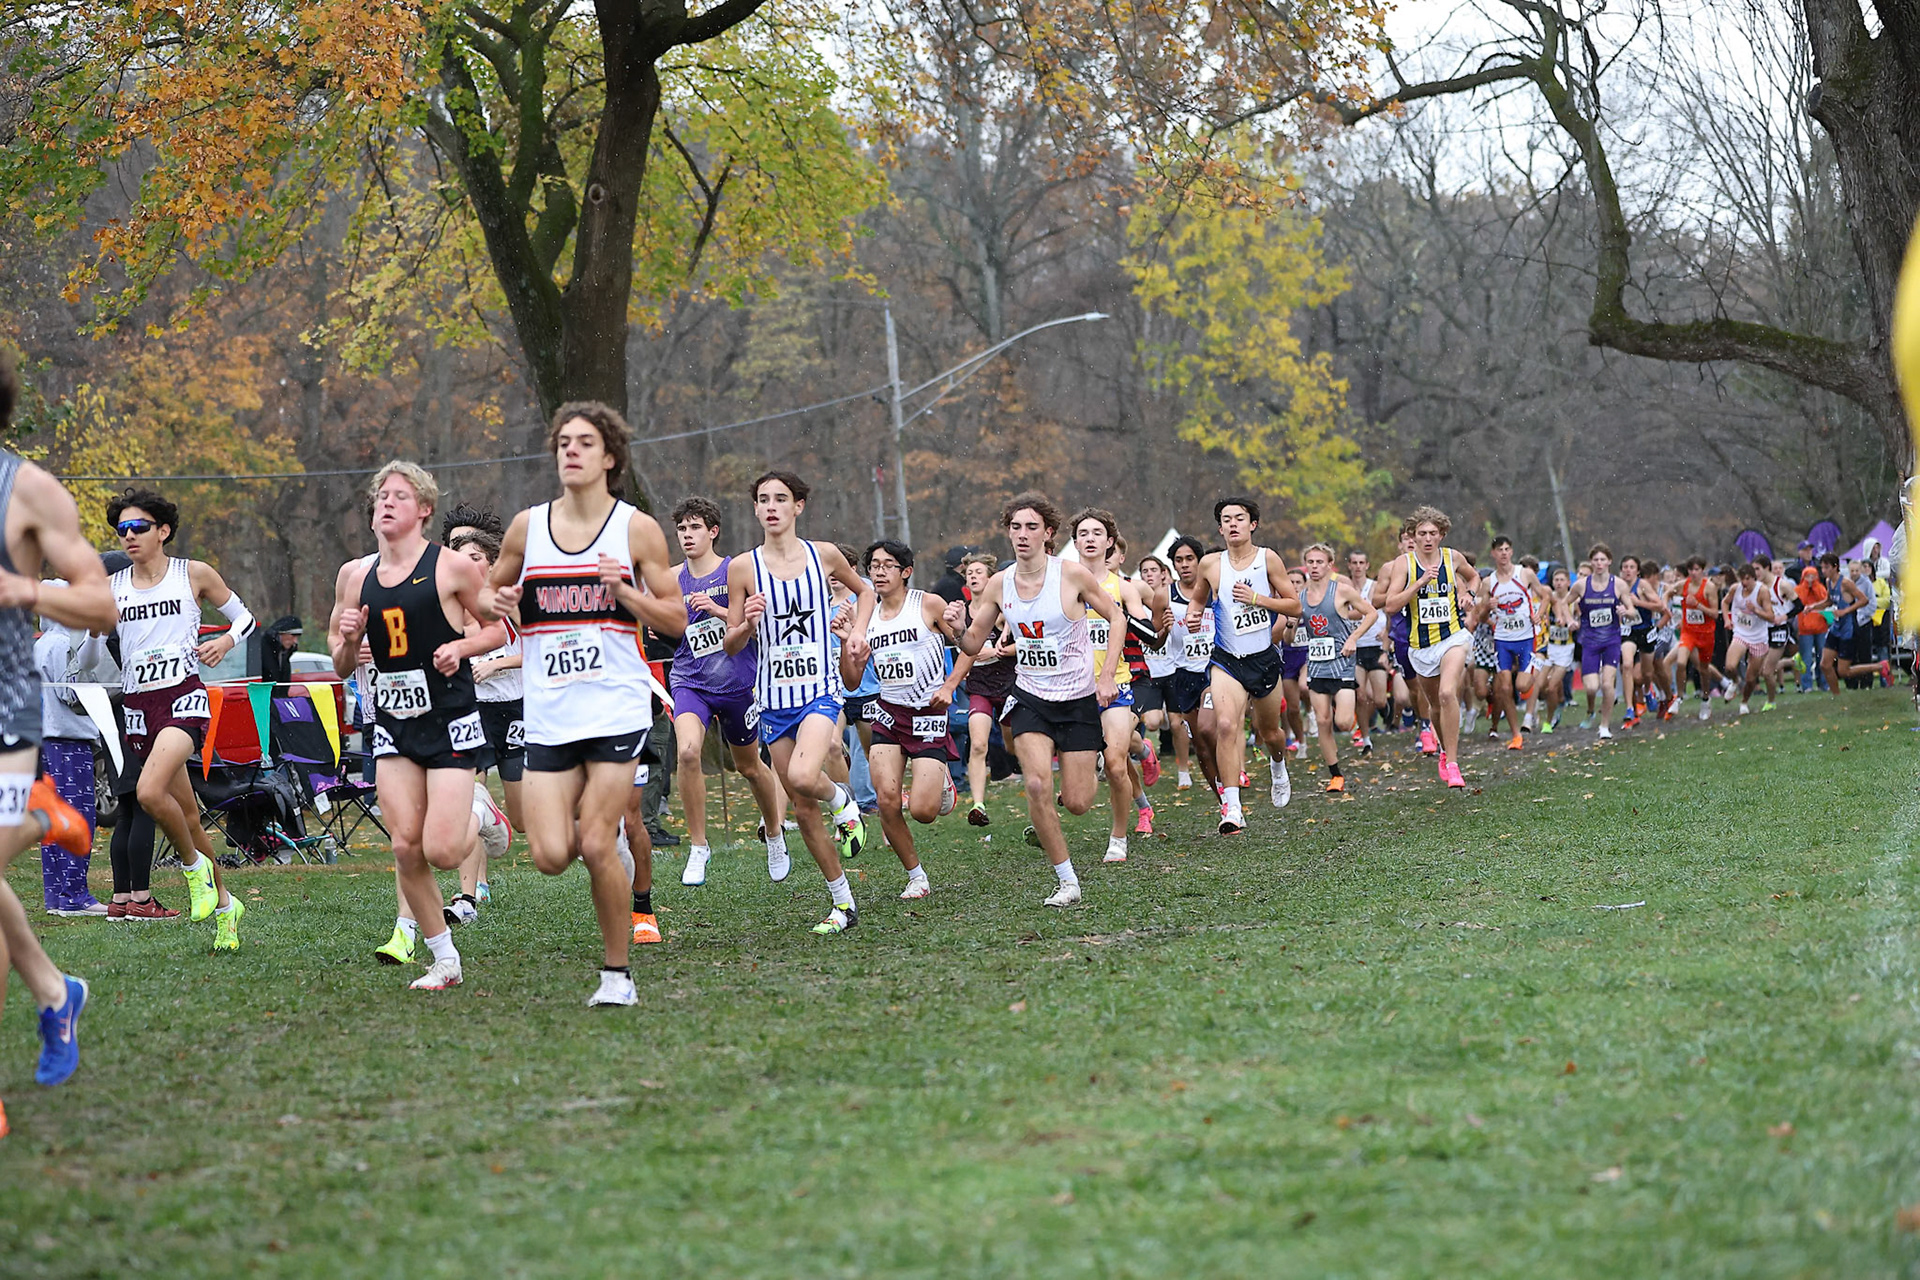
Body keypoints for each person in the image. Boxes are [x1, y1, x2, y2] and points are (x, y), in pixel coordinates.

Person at [485, 403, 685, 1003]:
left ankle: (617, 975)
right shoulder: (527, 528)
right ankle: (606, 850)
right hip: (550, 714)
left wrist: (625, 593)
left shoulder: (635, 530)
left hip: (615, 708)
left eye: (584, 442)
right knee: (549, 855)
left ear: (610, 457)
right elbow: (490, 595)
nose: (570, 451)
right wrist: (500, 604)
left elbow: (676, 619)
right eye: (563, 442)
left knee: (596, 842)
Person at [0, 354, 119, 1132]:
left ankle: (43, 815)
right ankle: (53, 990)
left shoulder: (28, 488)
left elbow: (101, 605)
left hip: (5, 708)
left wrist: (25, 589)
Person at [330, 462, 503, 989]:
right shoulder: (354, 576)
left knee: (443, 851)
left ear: (424, 509)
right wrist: (349, 642)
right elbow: (341, 665)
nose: (386, 503)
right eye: (381, 495)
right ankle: (444, 958)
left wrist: (461, 647)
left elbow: (497, 631)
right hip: (393, 724)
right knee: (405, 846)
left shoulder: (453, 567)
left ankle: (481, 811)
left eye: (400, 496)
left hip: (450, 719)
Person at [947, 492, 1121, 905]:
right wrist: (956, 628)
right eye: (1015, 527)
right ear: (1008, 533)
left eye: (1031, 527)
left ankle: (1091, 762)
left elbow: (1117, 617)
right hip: (1030, 696)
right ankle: (1067, 881)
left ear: (1048, 533)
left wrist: (1107, 675)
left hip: (1077, 699)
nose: (1022, 534)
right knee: (1039, 784)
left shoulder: (1072, 574)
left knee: (1077, 803)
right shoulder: (999, 583)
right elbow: (972, 644)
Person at [720, 471, 872, 935]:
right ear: (755, 509)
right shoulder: (742, 568)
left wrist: (858, 632)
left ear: (798, 506)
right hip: (772, 698)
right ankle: (843, 904)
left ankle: (843, 799)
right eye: (763, 499)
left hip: (819, 690)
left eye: (780, 499)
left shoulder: (822, 555)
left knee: (805, 778)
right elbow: (730, 643)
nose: (771, 507)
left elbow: (866, 591)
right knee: (803, 810)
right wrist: (747, 624)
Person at [107, 487, 255, 948]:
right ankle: (227, 909)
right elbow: (94, 649)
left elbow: (245, 618)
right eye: (122, 529)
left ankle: (194, 871)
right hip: (138, 707)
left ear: (163, 531)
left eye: (139, 527)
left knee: (149, 792)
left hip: (182, 699)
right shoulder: (113, 586)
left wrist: (225, 641)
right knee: (188, 817)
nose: (129, 536)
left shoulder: (192, 573)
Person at [665, 495, 788, 886]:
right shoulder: (671, 578)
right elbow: (662, 623)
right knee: (688, 752)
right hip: (690, 680)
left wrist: (717, 610)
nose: (687, 535)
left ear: (713, 531)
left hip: (738, 683)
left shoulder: (735, 570)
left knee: (749, 767)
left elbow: (758, 620)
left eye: (695, 527)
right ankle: (698, 846)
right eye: (681, 528)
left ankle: (774, 833)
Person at [1179, 497, 1300, 831]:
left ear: (1252, 524)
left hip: (1263, 659)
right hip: (1226, 660)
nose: (1233, 524)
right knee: (1226, 725)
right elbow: (1198, 600)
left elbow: (1294, 606)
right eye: (1226, 519)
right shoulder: (1210, 564)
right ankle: (1232, 808)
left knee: (1270, 732)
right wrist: (1193, 616)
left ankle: (1278, 764)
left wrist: (1258, 599)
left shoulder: (1267, 559)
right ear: (1220, 528)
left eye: (1239, 518)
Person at [856, 540, 960, 899]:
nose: (879, 572)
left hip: (928, 712)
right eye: (874, 566)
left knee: (923, 812)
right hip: (888, 712)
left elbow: (969, 646)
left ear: (906, 572)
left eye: (888, 565)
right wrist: (849, 648)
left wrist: (949, 685)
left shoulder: (928, 604)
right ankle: (916, 876)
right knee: (886, 799)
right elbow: (852, 681)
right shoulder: (865, 616)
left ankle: (942, 780)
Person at [1068, 508, 1159, 865]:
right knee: (1076, 790)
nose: (1090, 539)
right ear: (1075, 542)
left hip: (1116, 684)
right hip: (1073, 690)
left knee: (1115, 763)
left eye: (1097, 533)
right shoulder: (1061, 583)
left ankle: (1118, 837)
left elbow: (1148, 632)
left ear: (1109, 542)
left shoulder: (1122, 587)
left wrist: (1135, 620)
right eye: (1083, 533)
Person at [1376, 506, 1482, 784]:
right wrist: (1419, 583)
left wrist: (1470, 595)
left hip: (1452, 637)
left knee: (1448, 693)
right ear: (1413, 535)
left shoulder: (1452, 557)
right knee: (1435, 705)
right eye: (1421, 533)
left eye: (1433, 533)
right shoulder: (1404, 564)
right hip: (1421, 645)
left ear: (1441, 534)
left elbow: (1474, 576)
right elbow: (1390, 605)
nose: (1427, 538)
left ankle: (1454, 763)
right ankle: (1444, 752)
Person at [444, 528, 516, 922]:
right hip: (472, 709)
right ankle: (471, 892)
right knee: (468, 796)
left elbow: (539, 647)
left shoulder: (510, 597)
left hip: (516, 707)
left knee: (521, 818)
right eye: (460, 556)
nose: (467, 564)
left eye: (475, 557)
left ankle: (496, 816)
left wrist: (497, 663)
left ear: (490, 562)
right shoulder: (450, 600)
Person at [33, 591, 111, 915]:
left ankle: (56, 895)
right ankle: (75, 895)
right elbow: (70, 693)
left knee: (52, 819)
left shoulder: (40, 644)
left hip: (44, 740)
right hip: (69, 740)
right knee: (77, 817)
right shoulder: (63, 644)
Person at [1297, 543, 1376, 793]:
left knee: (1342, 722)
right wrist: (1289, 626)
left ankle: (1349, 715)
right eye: (1310, 562)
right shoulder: (1300, 596)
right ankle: (1336, 775)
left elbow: (1371, 613)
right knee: (1323, 721)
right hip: (1317, 665)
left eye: (1319, 562)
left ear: (1330, 565)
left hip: (1342, 663)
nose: (1314, 567)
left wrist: (1353, 638)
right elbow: (1289, 631)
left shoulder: (1342, 591)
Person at [954, 551, 1016, 824]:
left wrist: (997, 651)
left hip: (1009, 685)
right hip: (979, 687)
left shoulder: (1002, 611)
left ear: (991, 578)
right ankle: (978, 805)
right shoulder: (963, 612)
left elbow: (1027, 643)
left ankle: (1033, 777)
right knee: (978, 744)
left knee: (1014, 745)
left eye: (979, 572)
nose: (973, 577)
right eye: (969, 573)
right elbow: (960, 646)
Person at [1164, 536, 1219, 794]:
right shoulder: (1164, 595)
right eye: (1179, 560)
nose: (1184, 565)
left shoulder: (1215, 590)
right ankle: (1221, 796)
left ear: (1199, 561)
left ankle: (1231, 776)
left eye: (1189, 559)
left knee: (1209, 729)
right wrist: (1162, 630)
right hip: (1184, 675)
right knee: (1201, 745)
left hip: (1214, 671)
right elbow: (1156, 641)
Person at [1475, 536, 1536, 751]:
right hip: (1502, 640)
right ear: (1493, 553)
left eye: (1507, 549)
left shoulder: (1524, 574)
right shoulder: (1488, 582)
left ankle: (1533, 673)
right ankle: (1516, 735)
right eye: (1499, 549)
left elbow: (1546, 595)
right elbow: (1480, 617)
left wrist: (1539, 615)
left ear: (1511, 552)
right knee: (1504, 688)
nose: (1503, 553)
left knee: (1521, 686)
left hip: (1526, 637)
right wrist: (1487, 608)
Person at [1568, 543, 1628, 739]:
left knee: (1608, 685)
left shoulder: (1619, 584)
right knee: (1592, 687)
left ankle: (1604, 726)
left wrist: (1625, 611)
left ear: (1609, 561)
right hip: (1590, 642)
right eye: (1596, 560)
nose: (1599, 563)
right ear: (1591, 562)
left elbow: (1632, 609)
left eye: (1603, 559)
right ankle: (1591, 709)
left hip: (1612, 640)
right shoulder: (1581, 585)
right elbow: (1562, 603)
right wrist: (1569, 620)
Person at [1347, 547, 1389, 753]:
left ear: (1367, 565)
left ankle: (1385, 710)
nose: (1357, 567)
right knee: (1360, 696)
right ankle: (1365, 738)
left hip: (1374, 644)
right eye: (1354, 563)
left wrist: (1386, 633)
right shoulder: (1344, 588)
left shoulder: (1373, 587)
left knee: (1379, 699)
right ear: (1349, 565)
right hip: (1355, 648)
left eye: (1361, 563)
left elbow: (1382, 610)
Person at [1724, 561, 1780, 715]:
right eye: (1742, 579)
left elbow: (1771, 617)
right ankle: (1735, 681)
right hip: (1740, 633)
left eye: (1747, 579)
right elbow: (1725, 602)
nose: (1744, 582)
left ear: (1754, 578)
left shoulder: (1762, 591)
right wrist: (1727, 620)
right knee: (1730, 666)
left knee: (1751, 678)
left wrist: (1755, 609)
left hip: (1758, 638)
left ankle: (1744, 702)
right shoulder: (1735, 589)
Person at [1816, 552, 1869, 697]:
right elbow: (1829, 601)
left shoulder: (1845, 583)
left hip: (1848, 629)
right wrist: (1812, 607)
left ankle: (1879, 666)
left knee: (1843, 671)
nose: (1823, 571)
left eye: (1826, 567)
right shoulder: (1828, 581)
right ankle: (1836, 696)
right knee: (1825, 665)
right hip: (1836, 627)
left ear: (1835, 567)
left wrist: (1845, 611)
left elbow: (1864, 600)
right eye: (1822, 568)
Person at [1538, 566, 1576, 733]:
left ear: (1568, 582)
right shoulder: (1548, 599)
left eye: (1562, 580)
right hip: (1549, 647)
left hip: (1566, 648)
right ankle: (1559, 701)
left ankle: (1549, 721)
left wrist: (1574, 623)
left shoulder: (1574, 601)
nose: (1559, 583)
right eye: (1556, 580)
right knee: (1540, 686)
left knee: (1551, 687)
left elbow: (1582, 619)